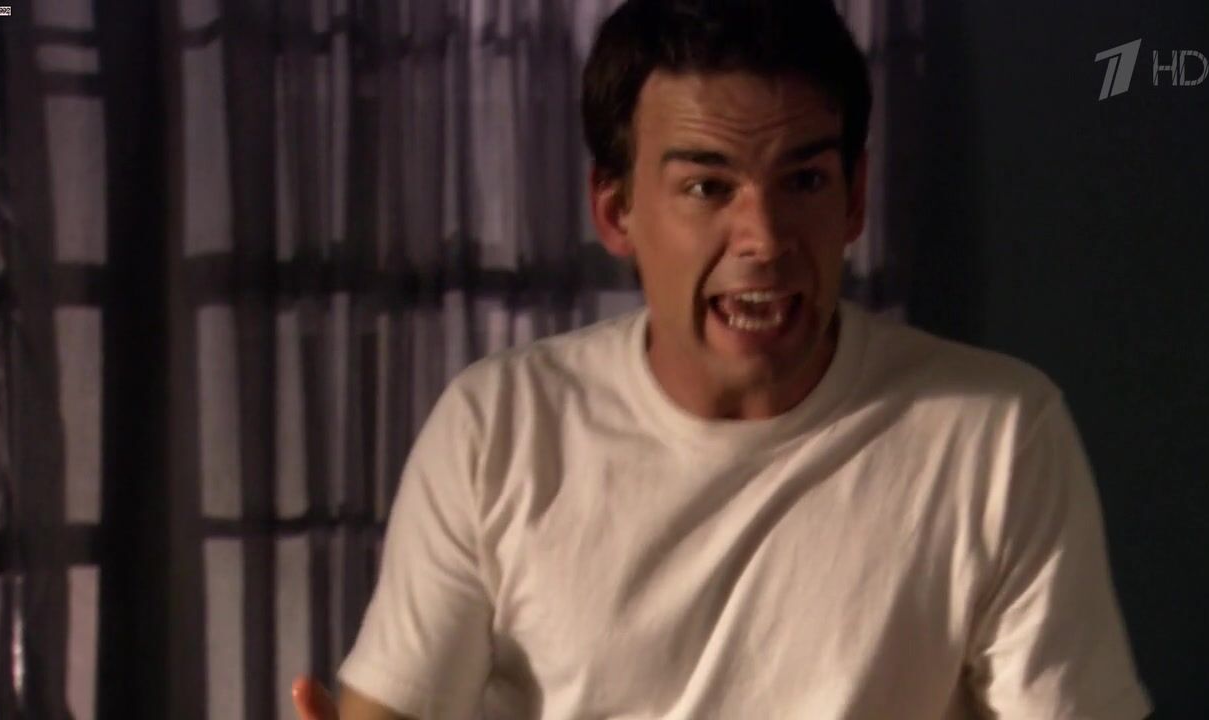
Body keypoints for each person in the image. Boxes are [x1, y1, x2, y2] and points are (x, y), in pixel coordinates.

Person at [292, 0, 1152, 718]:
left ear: (854, 197)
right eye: (707, 187)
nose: (764, 239)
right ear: (617, 212)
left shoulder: (997, 433)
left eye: (803, 182)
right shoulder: (498, 426)